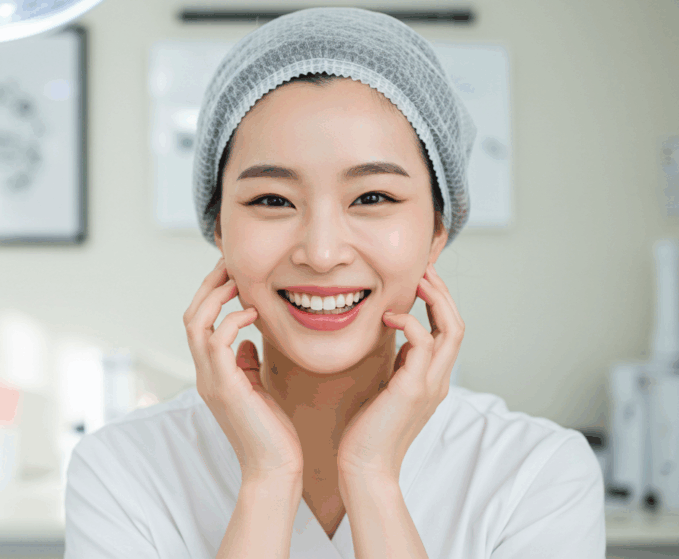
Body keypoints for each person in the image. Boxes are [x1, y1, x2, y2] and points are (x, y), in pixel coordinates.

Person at [65, 7, 605, 558]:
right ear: (219, 227)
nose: (322, 254)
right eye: (272, 200)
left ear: (437, 231)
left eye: (373, 198)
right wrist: (268, 480)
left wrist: (372, 477)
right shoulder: (122, 469)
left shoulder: (537, 473)